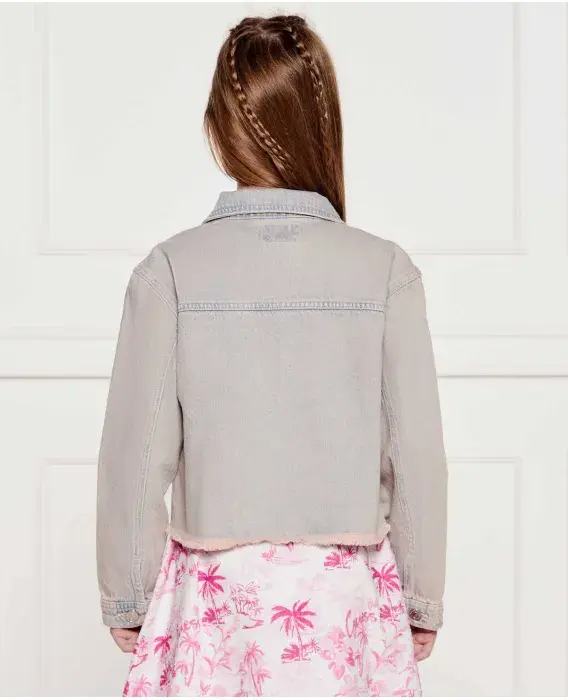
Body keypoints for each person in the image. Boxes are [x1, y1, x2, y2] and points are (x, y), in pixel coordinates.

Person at [96, 14, 447, 698]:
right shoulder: (386, 272)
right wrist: (421, 597)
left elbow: (134, 460)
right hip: (345, 600)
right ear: (322, 125)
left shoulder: (169, 271)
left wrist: (129, 594)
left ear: (218, 129)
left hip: (216, 598)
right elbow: (417, 459)